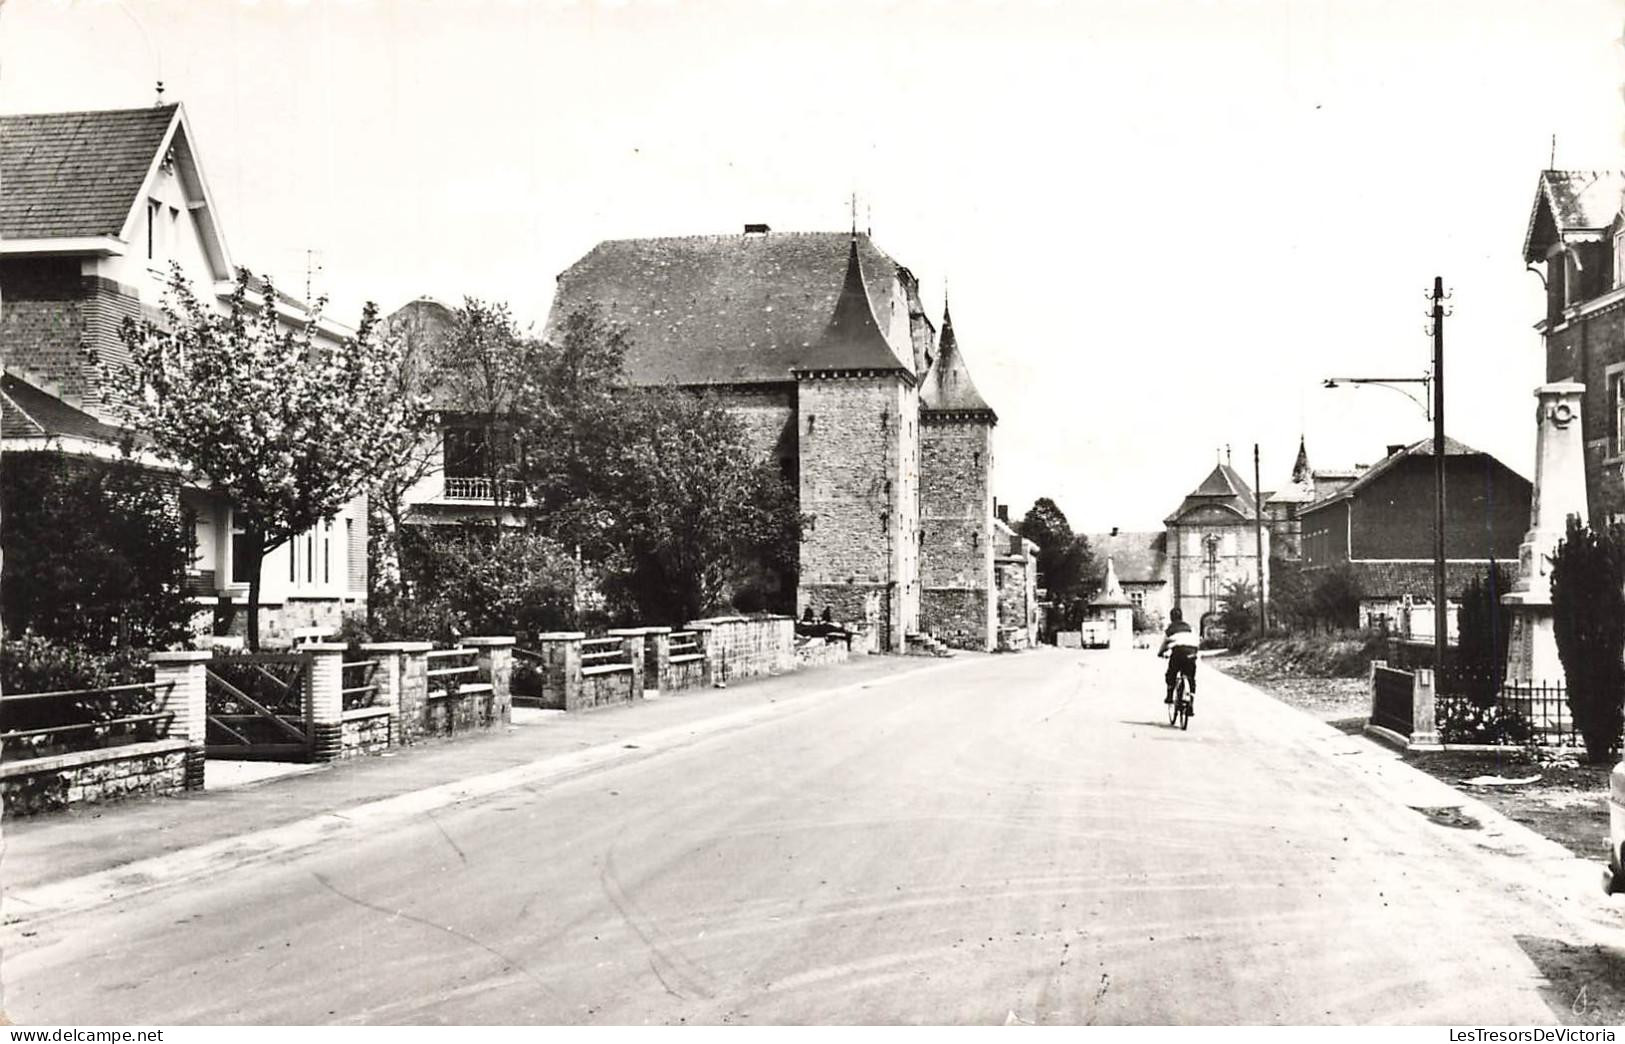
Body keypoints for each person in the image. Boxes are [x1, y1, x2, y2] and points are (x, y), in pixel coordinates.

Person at [1157, 607, 1199, 714]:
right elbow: (1196, 640)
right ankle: (1190, 704)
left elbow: (1164, 644)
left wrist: (1160, 653)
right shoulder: (1189, 627)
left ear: (1171, 618)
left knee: (1171, 673)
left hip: (1179, 651)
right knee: (1191, 678)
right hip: (1192, 651)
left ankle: (1170, 696)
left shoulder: (1170, 629)